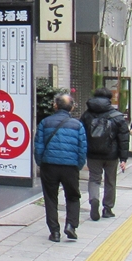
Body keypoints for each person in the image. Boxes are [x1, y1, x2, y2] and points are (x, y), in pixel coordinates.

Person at [34, 92, 87, 243]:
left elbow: (38, 146)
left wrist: (41, 162)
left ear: (55, 106)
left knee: (50, 198)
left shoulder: (45, 123)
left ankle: (55, 232)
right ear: (72, 108)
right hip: (70, 167)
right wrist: (78, 165)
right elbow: (82, 149)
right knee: (73, 196)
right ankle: (71, 225)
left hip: (49, 165)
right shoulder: (77, 125)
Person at [80, 87, 129, 221]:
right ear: (109, 99)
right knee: (110, 181)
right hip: (111, 155)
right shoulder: (117, 116)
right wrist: (123, 158)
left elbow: (81, 134)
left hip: (93, 154)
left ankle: (94, 199)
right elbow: (124, 138)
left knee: (94, 179)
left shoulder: (86, 115)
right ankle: (107, 208)